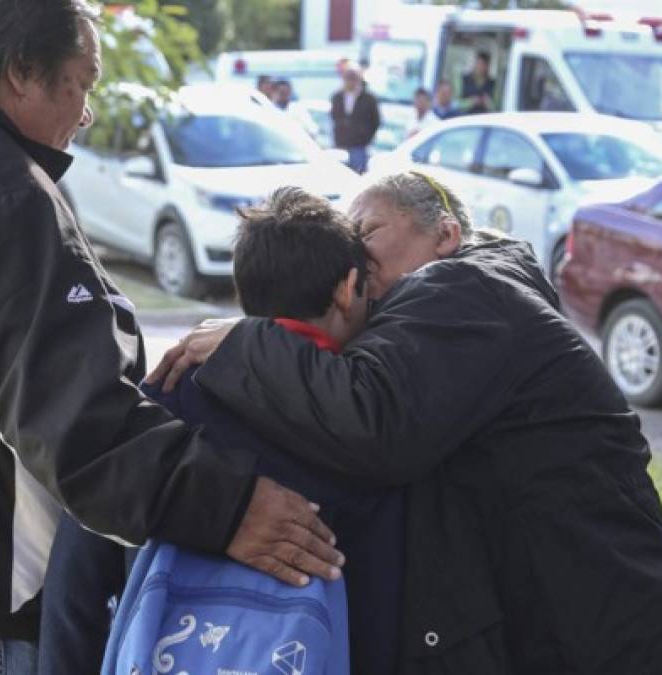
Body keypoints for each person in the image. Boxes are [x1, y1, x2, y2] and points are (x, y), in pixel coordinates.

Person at [0, 1, 340, 671]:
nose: (86, 112)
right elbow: (73, 416)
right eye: (83, 80)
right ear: (22, 72)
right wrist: (229, 506)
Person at [150, 173, 662, 674]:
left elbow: (371, 420)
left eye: (368, 231)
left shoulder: (467, 289)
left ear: (446, 234)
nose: (355, 251)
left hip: (618, 633)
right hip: (591, 622)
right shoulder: (452, 310)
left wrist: (250, 339)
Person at [40, 188, 404, 675]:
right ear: (347, 288)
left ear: (243, 291)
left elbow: (77, 582)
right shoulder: (369, 420)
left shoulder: (165, 397)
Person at [330, 64, 380, 174]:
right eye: (348, 78)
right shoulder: (337, 97)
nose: (350, 81)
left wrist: (366, 138)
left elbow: (376, 121)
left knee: (358, 175)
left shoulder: (369, 98)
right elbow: (333, 117)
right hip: (341, 145)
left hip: (359, 147)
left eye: (354, 78)